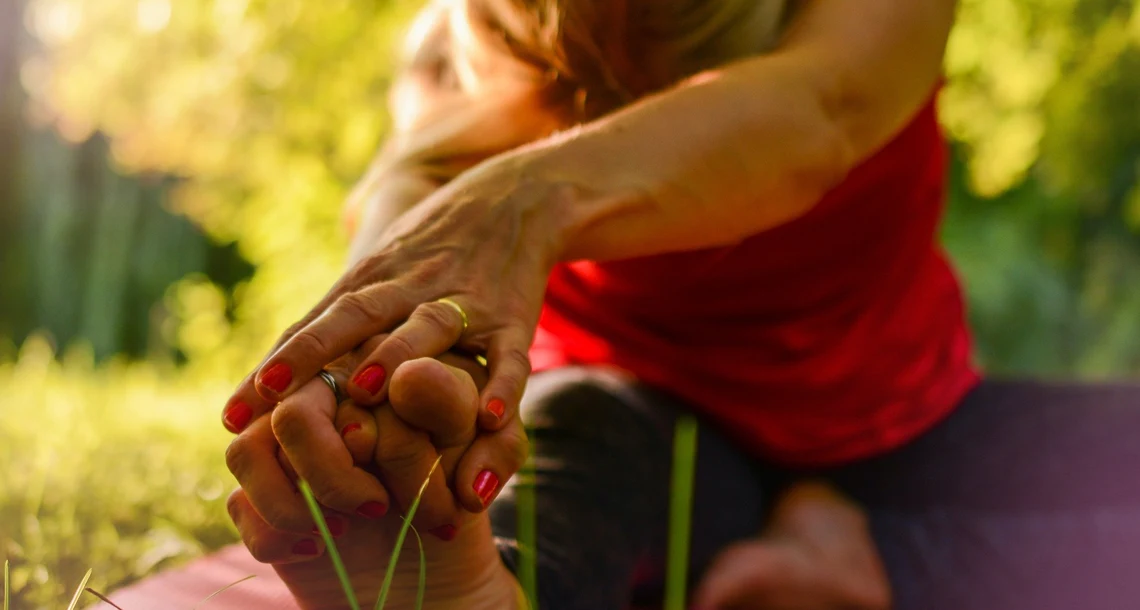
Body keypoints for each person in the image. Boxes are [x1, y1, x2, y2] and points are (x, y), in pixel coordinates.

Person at [213, 0, 1140, 609]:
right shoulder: (458, 55)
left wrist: (523, 195)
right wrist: (371, 409)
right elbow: (404, 229)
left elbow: (822, 112)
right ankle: (468, 586)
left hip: (908, 427)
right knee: (569, 452)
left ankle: (868, 558)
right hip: (642, 418)